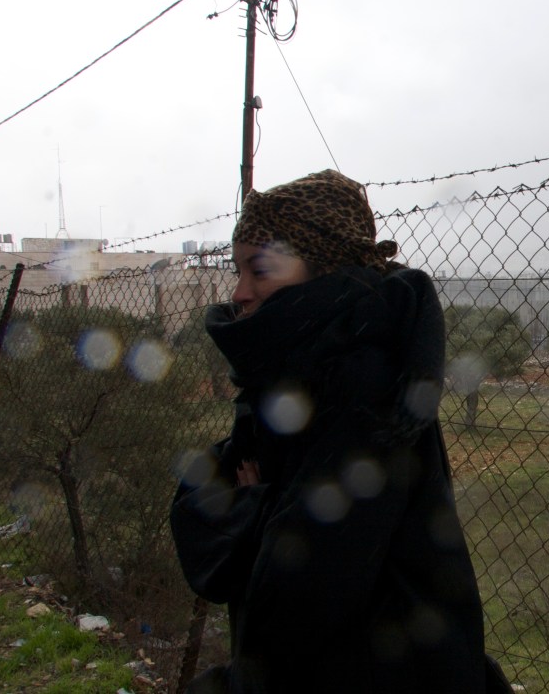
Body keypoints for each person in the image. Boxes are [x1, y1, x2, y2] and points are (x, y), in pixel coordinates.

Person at [170, 170, 503, 693]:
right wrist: (260, 508)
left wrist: (251, 509)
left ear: (322, 266)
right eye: (238, 272)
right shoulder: (292, 373)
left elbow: (305, 588)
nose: (239, 293)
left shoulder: (360, 383)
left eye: (259, 271)